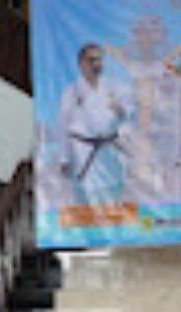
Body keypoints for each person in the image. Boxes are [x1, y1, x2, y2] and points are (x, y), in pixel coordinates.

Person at [59, 43, 132, 205]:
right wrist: (64, 158)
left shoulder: (114, 88)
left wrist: (122, 112)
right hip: (83, 153)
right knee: (86, 201)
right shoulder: (71, 92)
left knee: (114, 197)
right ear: (81, 64)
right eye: (92, 60)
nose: (97, 65)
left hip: (110, 153)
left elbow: (129, 115)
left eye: (99, 60)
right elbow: (64, 127)